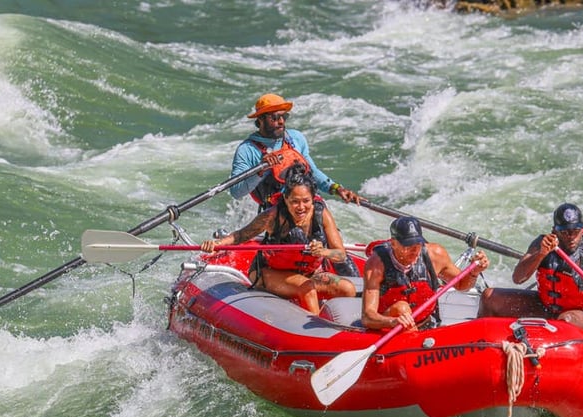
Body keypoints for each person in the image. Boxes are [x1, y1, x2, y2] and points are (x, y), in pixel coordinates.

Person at [201, 166, 355, 315]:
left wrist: (324, 251)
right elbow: (241, 236)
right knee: (306, 288)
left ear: (313, 199)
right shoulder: (273, 216)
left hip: (308, 274)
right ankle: (318, 332)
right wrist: (216, 245)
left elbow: (340, 255)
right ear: (285, 199)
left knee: (348, 289)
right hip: (269, 273)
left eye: (306, 201)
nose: (301, 207)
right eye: (295, 201)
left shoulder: (322, 214)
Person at [477, 203, 583, 336]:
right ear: (555, 230)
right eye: (565, 232)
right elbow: (518, 278)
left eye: (575, 231)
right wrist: (541, 254)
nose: (571, 237)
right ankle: (483, 344)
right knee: (489, 297)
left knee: (565, 321)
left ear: (582, 229)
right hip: (547, 307)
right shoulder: (542, 244)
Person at [229, 93, 361, 208]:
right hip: (276, 214)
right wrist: (261, 171)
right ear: (260, 120)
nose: (281, 122)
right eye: (274, 117)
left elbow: (313, 172)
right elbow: (236, 192)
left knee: (320, 209)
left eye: (284, 117)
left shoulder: (296, 138)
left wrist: (336, 189)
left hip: (306, 207)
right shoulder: (247, 150)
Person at [361, 217, 490, 330]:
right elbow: (368, 317)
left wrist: (474, 272)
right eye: (408, 245)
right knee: (402, 308)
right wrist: (392, 321)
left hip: (426, 327)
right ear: (393, 244)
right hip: (390, 328)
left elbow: (462, 284)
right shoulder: (376, 265)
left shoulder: (435, 255)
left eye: (418, 244)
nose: (415, 250)